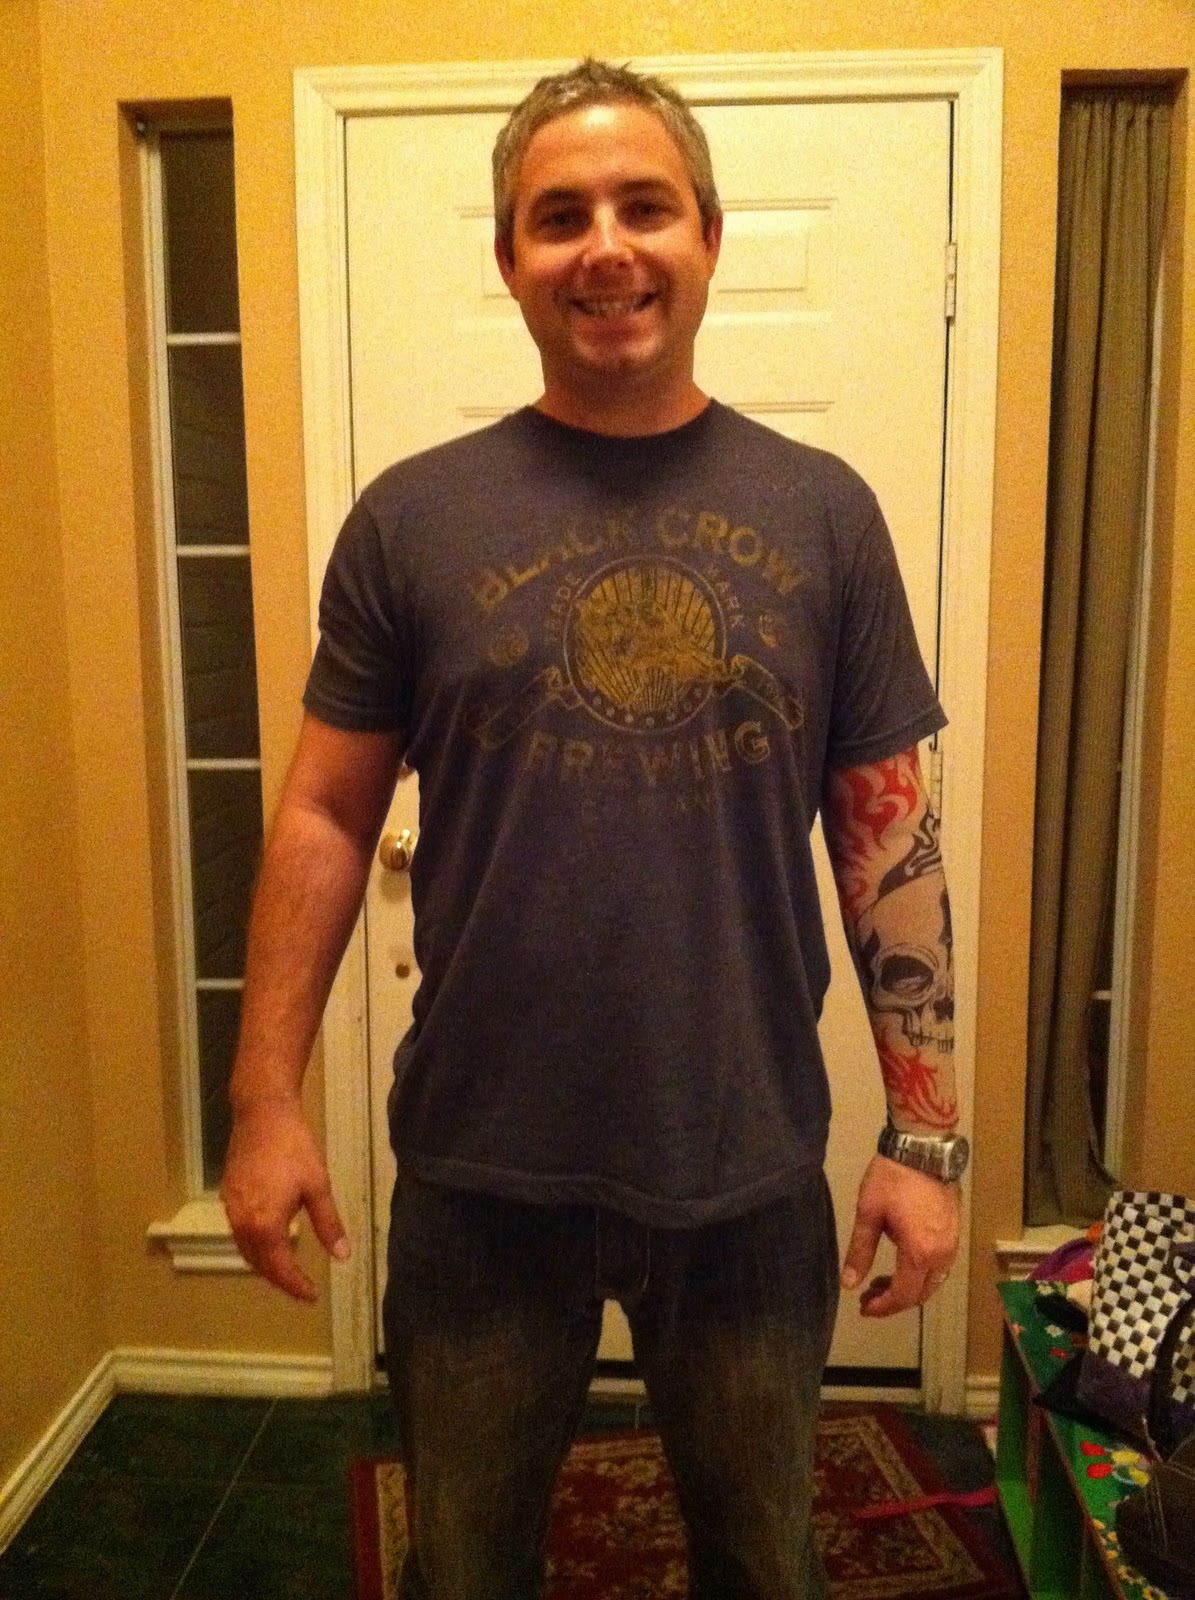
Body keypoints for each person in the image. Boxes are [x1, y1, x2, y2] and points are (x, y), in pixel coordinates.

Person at [221, 58, 967, 1600]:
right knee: (465, 1570)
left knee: (766, 1567)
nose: (606, 247)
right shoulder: (412, 520)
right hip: (480, 1171)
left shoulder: (825, 513)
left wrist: (926, 1139)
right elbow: (324, 811)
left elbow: (886, 835)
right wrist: (262, 1097)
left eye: (646, 207)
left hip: (745, 1164)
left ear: (710, 236)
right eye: (560, 217)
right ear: (511, 258)